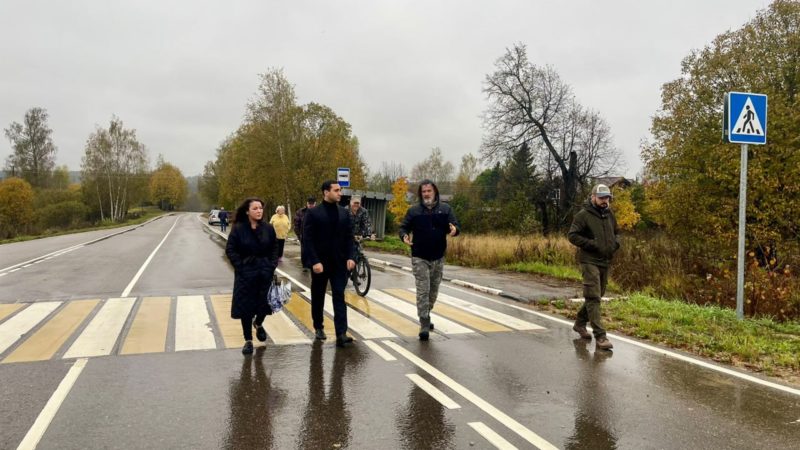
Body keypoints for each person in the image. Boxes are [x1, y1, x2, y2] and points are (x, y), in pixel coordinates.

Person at [399, 179, 460, 341]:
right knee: (423, 290)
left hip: (438, 256)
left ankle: (427, 312)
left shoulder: (445, 209)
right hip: (419, 256)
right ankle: (424, 322)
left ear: (435, 192)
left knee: (433, 292)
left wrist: (454, 230)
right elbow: (403, 227)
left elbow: (454, 225)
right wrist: (403, 235)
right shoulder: (414, 211)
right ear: (421, 194)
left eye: (429, 191)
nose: (426, 194)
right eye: (424, 192)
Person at [302, 181, 356, 347]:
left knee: (339, 296)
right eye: (336, 190)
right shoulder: (313, 213)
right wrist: (314, 261)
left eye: (340, 190)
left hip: (339, 263)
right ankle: (318, 326)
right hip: (320, 264)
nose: (340, 193)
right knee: (318, 296)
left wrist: (351, 257)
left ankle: (341, 333)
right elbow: (307, 240)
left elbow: (349, 237)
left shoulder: (344, 213)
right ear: (326, 192)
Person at [567, 184, 619, 351]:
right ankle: (601, 336)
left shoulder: (610, 214)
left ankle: (580, 323)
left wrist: (615, 244)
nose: (605, 201)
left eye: (607, 198)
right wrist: (592, 244)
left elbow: (617, 233)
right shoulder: (583, 215)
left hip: (605, 260)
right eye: (602, 197)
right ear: (593, 197)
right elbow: (572, 235)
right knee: (593, 297)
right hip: (589, 260)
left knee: (598, 295)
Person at [225, 197, 279, 355]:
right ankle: (248, 340)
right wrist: (240, 266)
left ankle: (259, 323)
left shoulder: (268, 228)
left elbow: (275, 247)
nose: (259, 211)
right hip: (246, 273)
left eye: (261, 208)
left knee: (265, 304)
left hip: (264, 271)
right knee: (246, 307)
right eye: (255, 208)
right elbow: (230, 249)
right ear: (247, 211)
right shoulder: (239, 228)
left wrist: (271, 265)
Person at [293, 196, 316, 270]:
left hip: (315, 235)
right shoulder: (301, 212)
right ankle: (305, 265)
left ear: (315, 203)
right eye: (309, 204)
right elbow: (296, 224)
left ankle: (313, 263)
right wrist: (299, 235)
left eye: (312, 204)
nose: (310, 205)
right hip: (304, 235)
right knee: (304, 251)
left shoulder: (318, 211)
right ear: (307, 203)